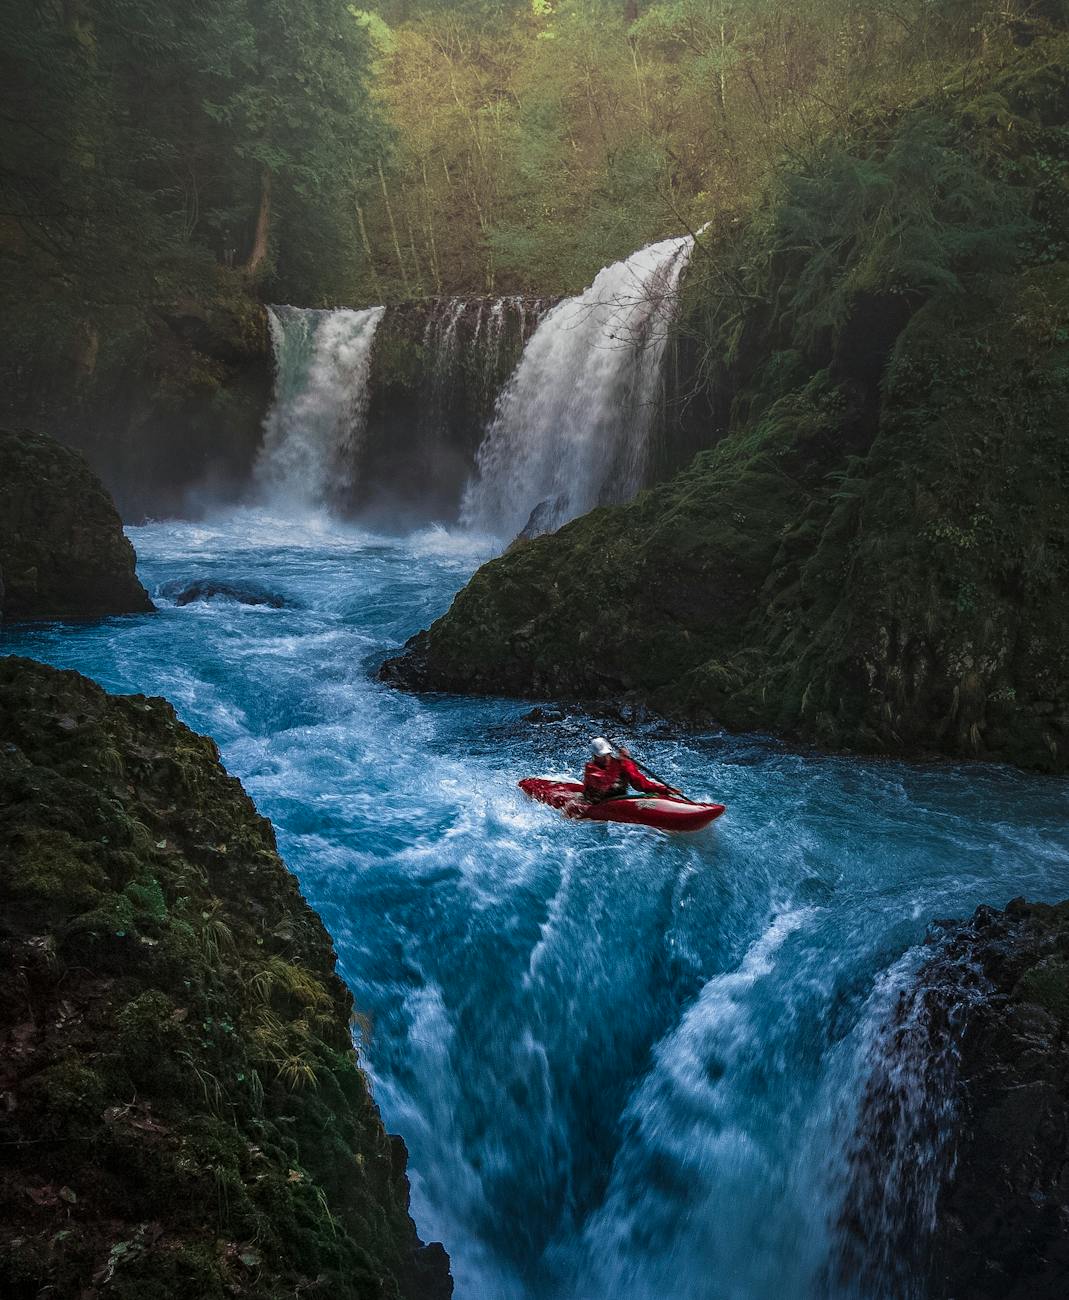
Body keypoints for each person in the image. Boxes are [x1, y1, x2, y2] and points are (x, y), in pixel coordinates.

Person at [582, 737, 677, 801]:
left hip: (619, 801)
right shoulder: (591, 769)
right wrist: (624, 760)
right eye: (601, 756)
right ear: (594, 755)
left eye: (606, 754)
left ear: (610, 751)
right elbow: (605, 782)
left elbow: (640, 783)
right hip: (597, 803)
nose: (605, 758)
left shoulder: (622, 764)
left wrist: (664, 790)